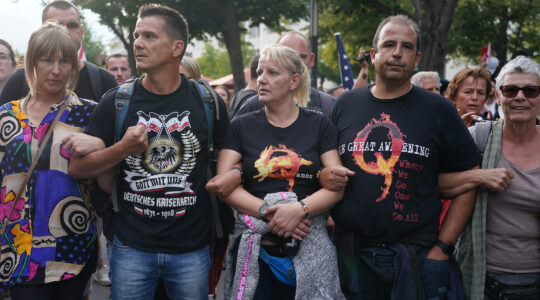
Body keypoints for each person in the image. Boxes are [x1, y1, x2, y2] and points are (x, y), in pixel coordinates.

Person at [67, 4, 230, 299]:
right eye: (136, 35)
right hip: (132, 248)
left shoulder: (208, 102)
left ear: (176, 47)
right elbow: (78, 169)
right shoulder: (116, 101)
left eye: (150, 36)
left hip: (191, 249)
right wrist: (122, 148)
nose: (138, 43)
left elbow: (232, 162)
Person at [322, 15, 480, 299]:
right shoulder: (345, 104)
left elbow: (471, 177)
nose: (397, 53)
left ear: (417, 58)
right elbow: (327, 166)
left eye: (407, 47)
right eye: (389, 44)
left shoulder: (439, 110)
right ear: (373, 55)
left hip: (417, 259)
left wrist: (443, 248)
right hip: (349, 255)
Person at [215, 43, 345, 299]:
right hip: (257, 253)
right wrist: (269, 214)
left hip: (310, 246)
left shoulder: (319, 124)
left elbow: (337, 184)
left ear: (294, 81)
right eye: (260, 72)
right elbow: (224, 184)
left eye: (272, 73)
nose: (262, 79)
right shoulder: (241, 125)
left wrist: (299, 210)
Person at [0, 22, 103, 300]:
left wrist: (102, 144)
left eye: (64, 61)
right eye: (47, 60)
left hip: (72, 247)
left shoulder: (89, 114)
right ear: (31, 62)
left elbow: (107, 182)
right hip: (19, 248)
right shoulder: (6, 116)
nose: (56, 70)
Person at [454, 56, 540, 300]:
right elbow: (437, 184)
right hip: (484, 280)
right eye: (511, 90)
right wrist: (479, 176)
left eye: (531, 90)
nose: (520, 97)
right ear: (499, 97)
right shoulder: (478, 138)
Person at [0, 0, 116, 104]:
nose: (64, 31)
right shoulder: (19, 80)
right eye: (57, 25)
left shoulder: (104, 81)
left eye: (72, 25)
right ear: (43, 30)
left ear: (82, 32)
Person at [235, 31, 335, 118]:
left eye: (301, 58)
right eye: (286, 57)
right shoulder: (251, 108)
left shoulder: (329, 105)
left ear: (311, 60)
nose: (296, 64)